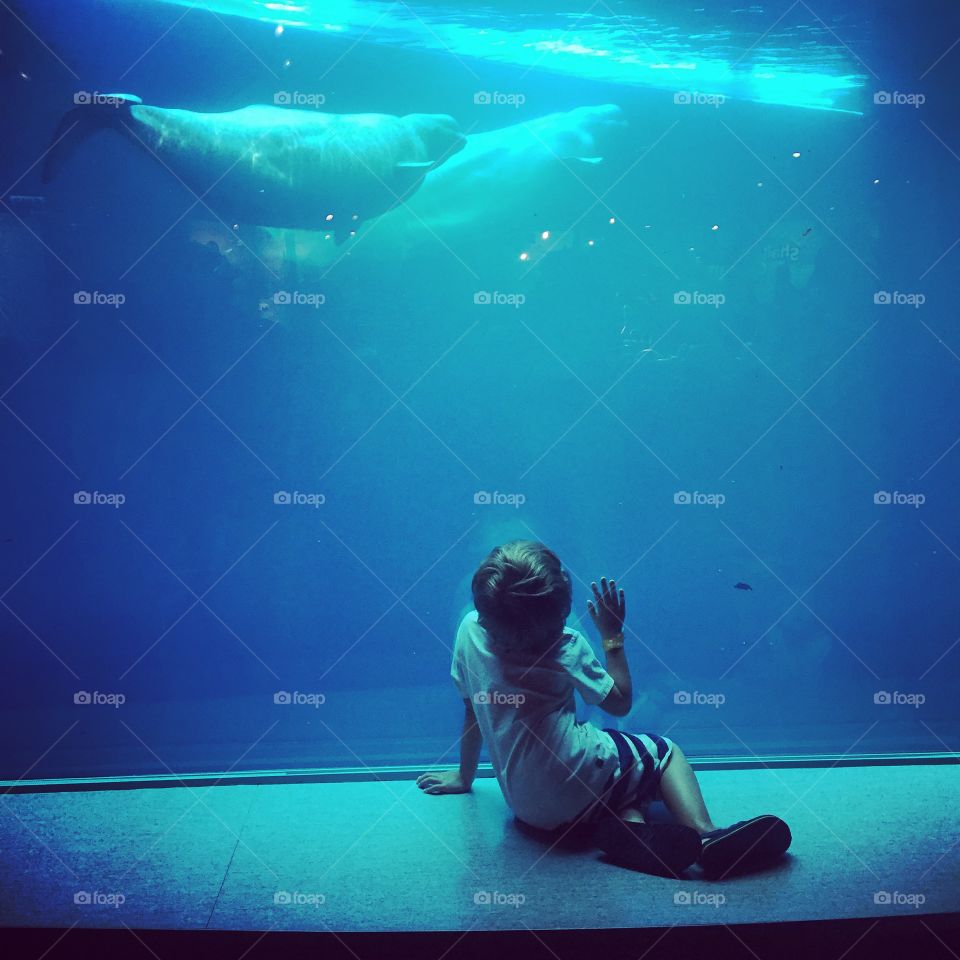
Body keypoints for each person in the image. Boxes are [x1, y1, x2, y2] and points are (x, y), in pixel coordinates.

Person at [416, 540, 791, 877]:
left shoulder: (468, 633)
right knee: (662, 753)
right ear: (559, 616)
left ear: (483, 611)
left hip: (527, 808)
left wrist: (465, 778)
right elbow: (621, 702)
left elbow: (471, 711)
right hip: (572, 771)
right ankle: (707, 835)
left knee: (616, 772)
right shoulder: (566, 647)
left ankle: (629, 827)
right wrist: (612, 635)